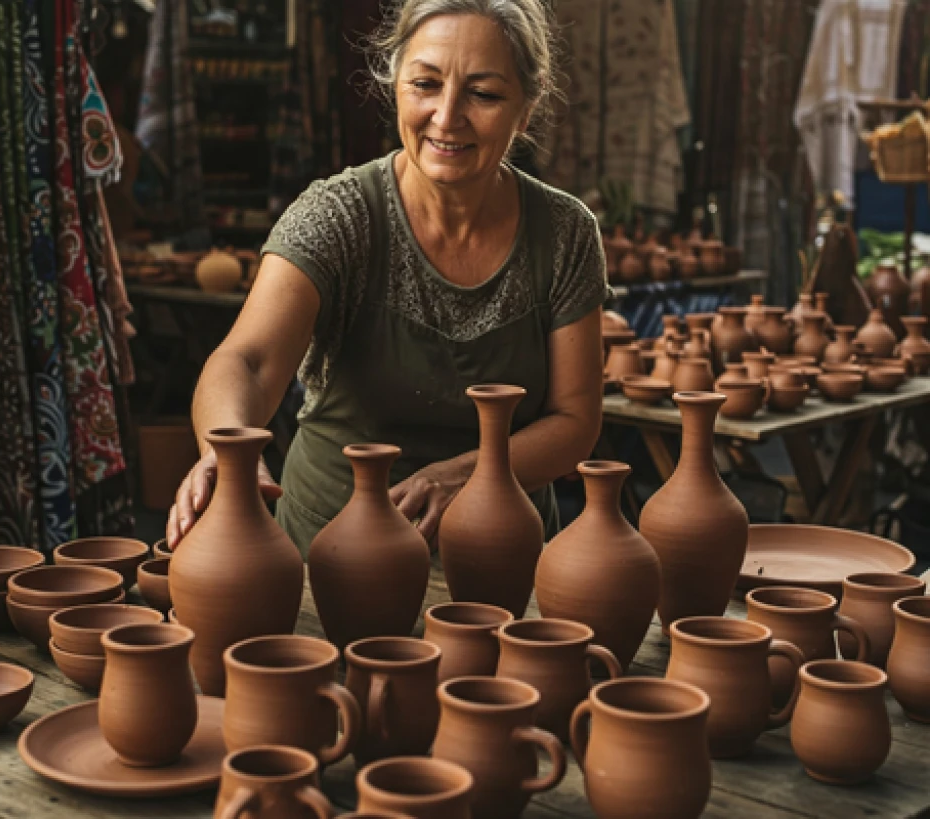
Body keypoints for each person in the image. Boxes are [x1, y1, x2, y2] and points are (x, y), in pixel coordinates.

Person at [167, 0, 608, 555]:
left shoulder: (566, 232)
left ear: (526, 109)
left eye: (483, 94)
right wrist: (225, 448)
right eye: (425, 84)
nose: (447, 116)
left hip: (503, 557)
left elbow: (575, 420)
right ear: (394, 85)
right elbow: (249, 360)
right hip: (329, 552)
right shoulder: (337, 216)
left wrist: (467, 476)